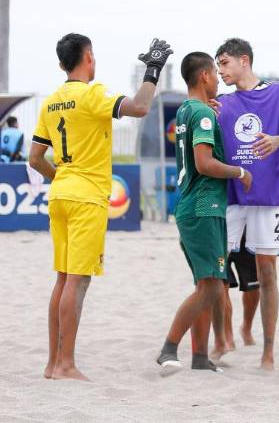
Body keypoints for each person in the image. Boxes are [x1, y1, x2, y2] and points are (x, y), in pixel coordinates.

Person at [28, 34, 170, 380]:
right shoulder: (92, 94)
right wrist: (153, 70)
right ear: (88, 57)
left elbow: (35, 159)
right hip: (87, 195)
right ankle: (66, 364)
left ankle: (52, 363)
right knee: (78, 281)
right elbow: (139, 107)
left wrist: (61, 176)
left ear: (62, 63)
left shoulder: (51, 101)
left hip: (60, 193)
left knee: (62, 279)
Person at [157, 51, 254, 376]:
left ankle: (200, 357)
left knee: (205, 283)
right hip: (203, 206)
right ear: (204, 77)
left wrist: (206, 113)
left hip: (192, 206)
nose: (217, 77)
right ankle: (169, 348)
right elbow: (204, 163)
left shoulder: (188, 109)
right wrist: (239, 172)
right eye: (215, 71)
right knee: (213, 286)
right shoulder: (202, 114)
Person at [216, 37, 279, 371]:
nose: (221, 71)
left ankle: (268, 352)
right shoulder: (220, 104)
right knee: (216, 272)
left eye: (224, 63)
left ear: (244, 60)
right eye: (217, 66)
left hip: (269, 196)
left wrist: (278, 140)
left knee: (267, 272)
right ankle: (221, 340)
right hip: (229, 195)